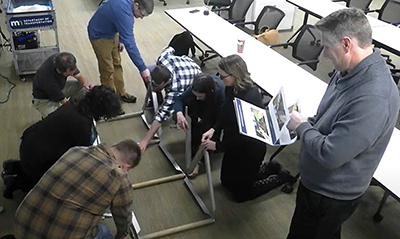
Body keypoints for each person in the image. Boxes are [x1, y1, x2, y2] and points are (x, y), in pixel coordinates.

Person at [286, 8, 400, 239]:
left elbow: (331, 155)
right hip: (318, 184)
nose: (325, 55)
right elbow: (327, 115)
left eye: (327, 47)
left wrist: (302, 127)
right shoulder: (347, 70)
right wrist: (309, 124)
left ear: (347, 44)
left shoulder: (373, 98)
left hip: (329, 195)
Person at [2, 86, 121, 198]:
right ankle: (16, 182)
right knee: (51, 188)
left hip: (29, 143)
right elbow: (83, 157)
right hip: (37, 158)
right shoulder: (82, 126)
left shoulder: (72, 105)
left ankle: (15, 168)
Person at [201, 55, 291, 202]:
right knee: (226, 182)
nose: (221, 79)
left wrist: (217, 145)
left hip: (249, 148)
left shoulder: (251, 97)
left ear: (234, 75)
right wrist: (214, 129)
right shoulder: (231, 88)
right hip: (234, 144)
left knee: (241, 195)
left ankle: (279, 178)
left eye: (223, 76)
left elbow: (244, 136)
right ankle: (267, 168)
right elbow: (225, 112)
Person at [13, 140, 141, 239]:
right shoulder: (119, 176)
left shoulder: (76, 150)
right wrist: (121, 235)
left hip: (21, 225)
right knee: (104, 231)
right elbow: (123, 217)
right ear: (126, 166)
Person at [88, 0, 154, 104]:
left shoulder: (128, 5)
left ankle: (120, 92)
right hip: (99, 34)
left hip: (112, 31)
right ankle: (109, 102)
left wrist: (122, 40)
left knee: (117, 63)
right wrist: (142, 68)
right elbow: (130, 44)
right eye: (142, 14)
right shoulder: (125, 13)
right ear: (136, 5)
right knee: (107, 69)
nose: (141, 18)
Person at [139, 46, 202, 152]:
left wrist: (145, 141)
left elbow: (160, 117)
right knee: (144, 71)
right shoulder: (163, 58)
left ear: (165, 83)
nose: (152, 86)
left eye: (156, 85)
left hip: (195, 77)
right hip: (184, 64)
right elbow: (171, 48)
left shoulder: (175, 89)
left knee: (172, 112)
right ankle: (157, 100)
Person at [174, 73, 225, 176]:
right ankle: (195, 151)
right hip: (203, 104)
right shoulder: (197, 86)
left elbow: (222, 119)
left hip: (215, 110)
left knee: (208, 131)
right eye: (195, 95)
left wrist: (213, 129)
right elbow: (178, 98)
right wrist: (179, 113)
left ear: (208, 92)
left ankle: (199, 161)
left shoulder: (221, 95)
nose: (197, 98)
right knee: (195, 131)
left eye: (200, 96)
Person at [32, 52, 93, 117]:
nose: (72, 75)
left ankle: (74, 105)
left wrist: (86, 85)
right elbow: (64, 102)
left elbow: (80, 77)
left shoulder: (64, 62)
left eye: (73, 72)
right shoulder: (49, 80)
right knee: (61, 119)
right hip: (44, 100)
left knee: (82, 88)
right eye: (69, 74)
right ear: (59, 71)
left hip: (59, 88)